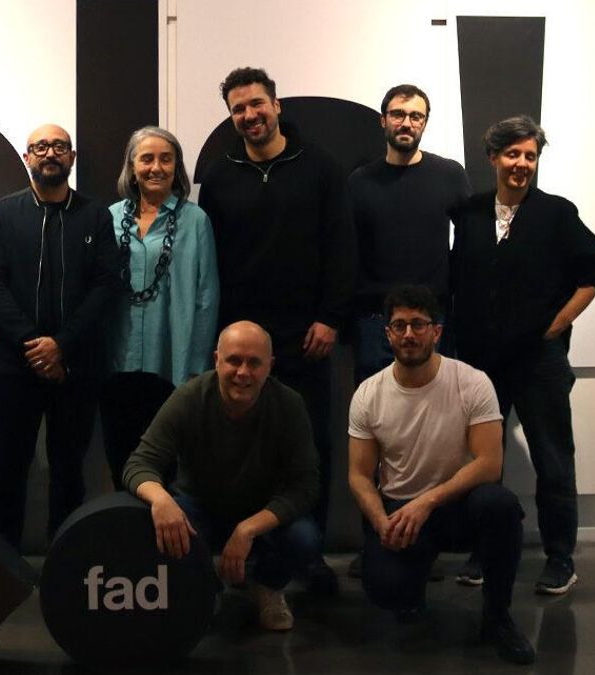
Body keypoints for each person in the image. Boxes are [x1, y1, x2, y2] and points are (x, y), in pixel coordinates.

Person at [198, 67, 354, 590]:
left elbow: (341, 246)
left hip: (307, 337)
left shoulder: (321, 168)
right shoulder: (219, 177)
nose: (249, 115)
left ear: (276, 105)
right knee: (245, 450)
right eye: (238, 109)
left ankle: (309, 555)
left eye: (256, 104)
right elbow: (212, 262)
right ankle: (254, 553)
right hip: (242, 345)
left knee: (311, 446)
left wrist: (330, 316)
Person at [450, 116, 595, 594]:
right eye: (513, 154)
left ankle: (560, 557)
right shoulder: (469, 213)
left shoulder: (556, 213)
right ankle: (484, 551)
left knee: (553, 460)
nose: (522, 163)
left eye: (530, 155)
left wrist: (557, 325)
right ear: (493, 158)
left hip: (540, 362)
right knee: (482, 462)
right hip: (482, 362)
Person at [348, 285, 533, 664]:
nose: (409, 334)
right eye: (399, 325)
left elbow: (489, 463)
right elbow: (359, 475)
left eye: (418, 324)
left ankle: (497, 617)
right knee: (386, 590)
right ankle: (410, 589)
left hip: (456, 507)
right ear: (387, 334)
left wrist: (428, 502)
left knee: (500, 505)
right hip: (401, 513)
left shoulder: (472, 382)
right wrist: (381, 521)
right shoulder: (368, 394)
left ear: (437, 332)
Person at [124, 321, 321, 631]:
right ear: (217, 360)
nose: (243, 372)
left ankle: (268, 587)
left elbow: (305, 486)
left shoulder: (289, 404)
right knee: (158, 526)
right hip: (199, 507)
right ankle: (205, 586)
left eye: (254, 363)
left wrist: (247, 530)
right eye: (234, 360)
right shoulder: (189, 397)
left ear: (270, 366)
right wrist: (161, 501)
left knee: (304, 538)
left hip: (261, 513)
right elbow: (140, 463)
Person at [0, 124, 119, 547]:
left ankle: (65, 562)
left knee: (69, 471)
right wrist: (35, 346)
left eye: (59, 146)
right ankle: (2, 565)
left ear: (72, 157)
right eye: (41, 146)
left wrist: (62, 345)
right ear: (27, 158)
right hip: (16, 365)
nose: (50, 153)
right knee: (9, 470)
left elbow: (105, 285)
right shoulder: (5, 214)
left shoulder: (96, 215)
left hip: (76, 366)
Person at [99, 126, 219, 488]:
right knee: (120, 457)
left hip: (172, 363)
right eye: (147, 159)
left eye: (166, 159)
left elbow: (206, 297)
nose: (156, 167)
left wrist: (196, 365)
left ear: (176, 167)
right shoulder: (109, 218)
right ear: (132, 167)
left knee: (164, 463)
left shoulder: (195, 221)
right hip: (117, 360)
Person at [347, 84, 471, 384]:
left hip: (433, 318)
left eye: (416, 116)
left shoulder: (450, 175)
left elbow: (470, 241)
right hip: (376, 320)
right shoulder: (359, 182)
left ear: (425, 122)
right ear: (383, 120)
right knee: (376, 407)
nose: (406, 123)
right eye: (398, 114)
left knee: (437, 407)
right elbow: (345, 252)